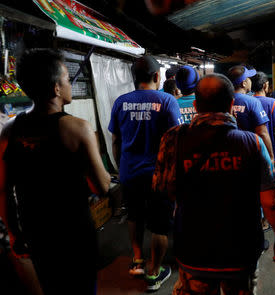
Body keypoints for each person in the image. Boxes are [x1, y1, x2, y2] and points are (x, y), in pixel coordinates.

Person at [153, 74, 275, 295]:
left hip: (193, 249)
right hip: (240, 250)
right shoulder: (252, 143)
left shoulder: (173, 139)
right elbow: (271, 202)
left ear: (195, 106)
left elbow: (162, 190)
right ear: (231, 105)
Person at [0, 48, 111, 295]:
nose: (69, 84)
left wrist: (14, 233)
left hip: (35, 231)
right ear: (56, 88)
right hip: (74, 233)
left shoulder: (9, 130)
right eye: (66, 79)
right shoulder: (77, 128)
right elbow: (101, 186)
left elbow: (3, 190)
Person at [108, 55, 183, 291]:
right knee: (160, 224)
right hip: (158, 175)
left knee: (134, 216)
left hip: (130, 172)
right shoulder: (167, 101)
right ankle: (154, 273)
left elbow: (116, 141)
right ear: (156, 76)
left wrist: (122, 169)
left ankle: (138, 260)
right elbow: (177, 139)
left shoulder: (120, 102)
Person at [226, 65, 274, 161]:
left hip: (229, 154)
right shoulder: (252, 101)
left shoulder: (223, 100)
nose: (250, 81)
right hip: (250, 152)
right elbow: (262, 133)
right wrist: (270, 157)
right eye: (248, 79)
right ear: (244, 83)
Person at [251, 71, 275, 171]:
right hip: (271, 154)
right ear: (265, 85)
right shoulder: (273, 103)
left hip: (253, 152)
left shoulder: (249, 102)